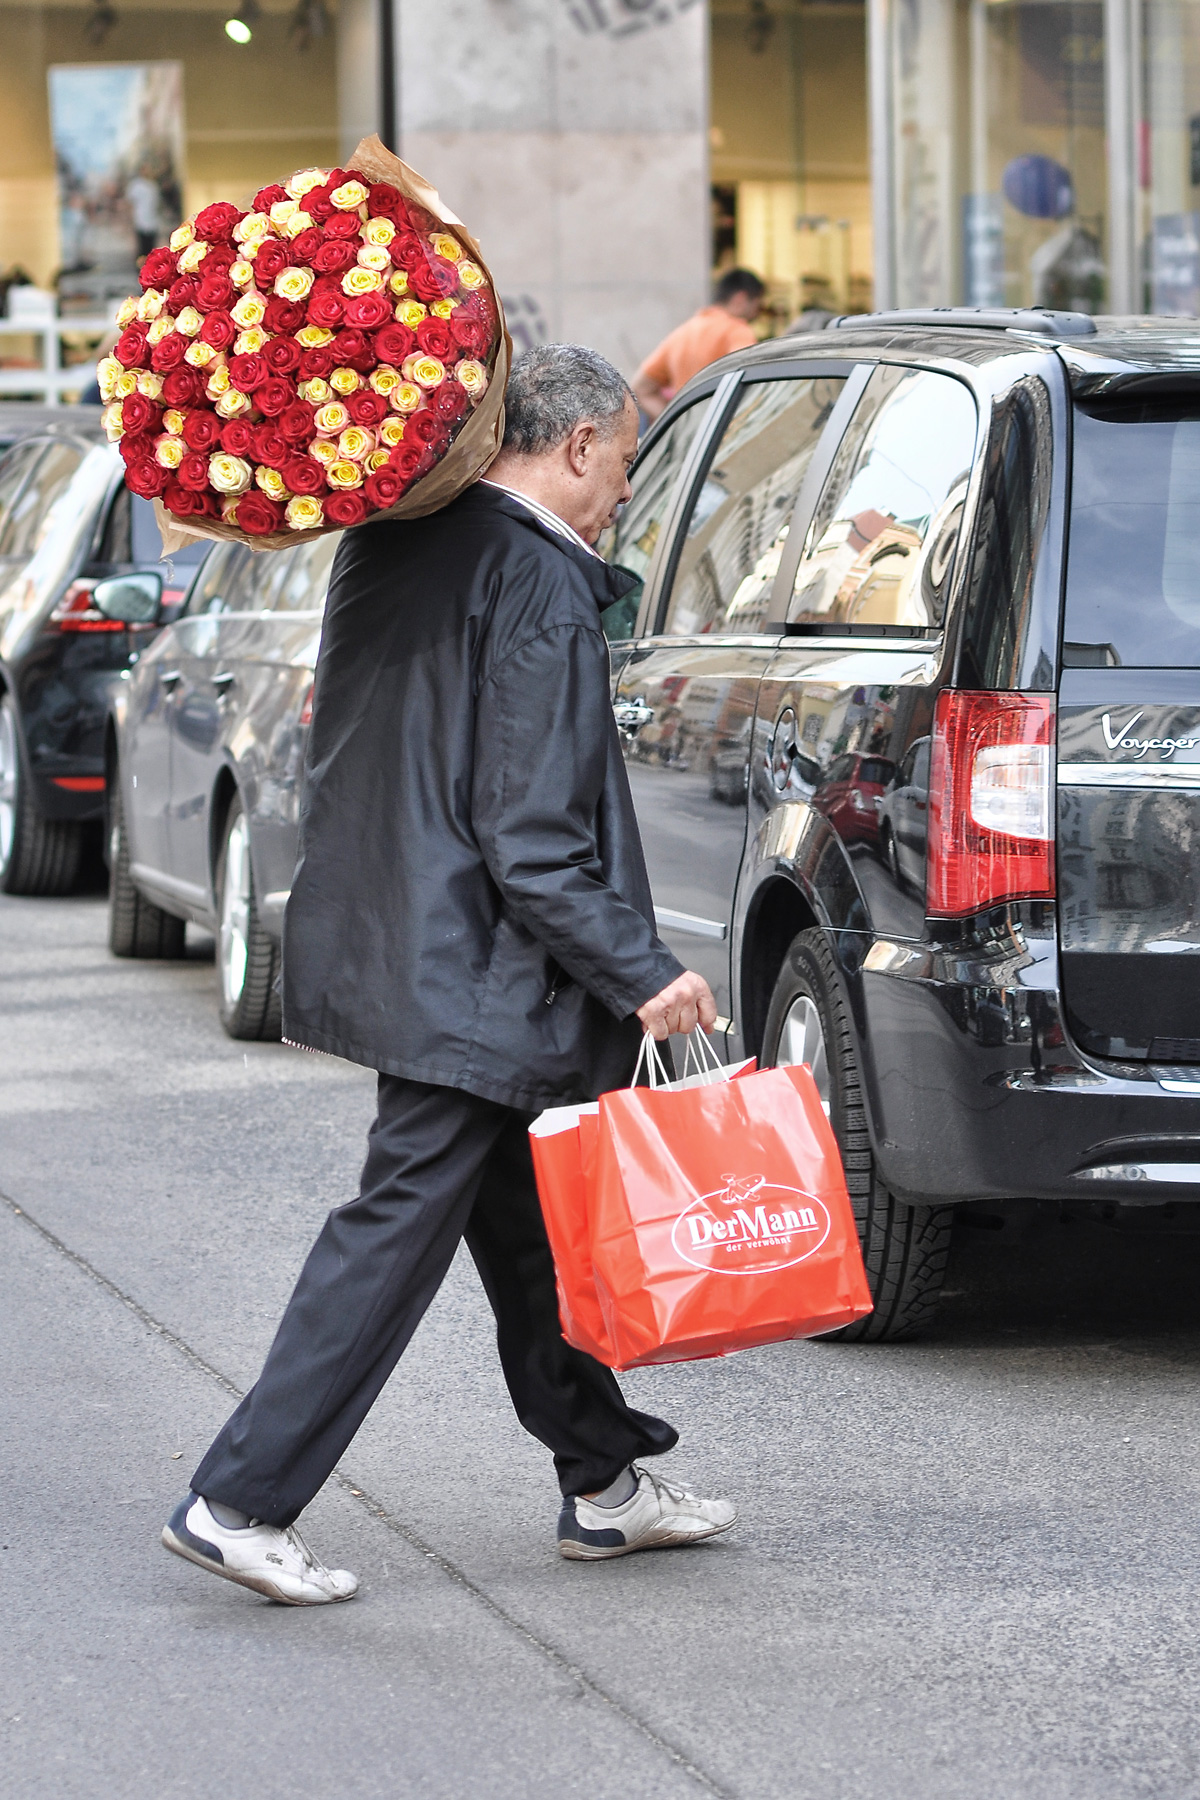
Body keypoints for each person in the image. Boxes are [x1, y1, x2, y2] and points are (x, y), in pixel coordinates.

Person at [162, 344, 736, 1607]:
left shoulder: (391, 539)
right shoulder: (536, 579)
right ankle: (239, 1499)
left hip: (411, 946)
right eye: (625, 462)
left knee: (527, 1236)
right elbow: (529, 832)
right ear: (578, 443)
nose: (624, 492)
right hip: (484, 977)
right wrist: (642, 971)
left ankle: (605, 1481)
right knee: (390, 1234)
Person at [633, 268, 766, 422]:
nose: (757, 314)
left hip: (692, 441)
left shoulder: (682, 333)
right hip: (725, 436)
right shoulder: (738, 330)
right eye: (757, 305)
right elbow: (751, 378)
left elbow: (640, 388)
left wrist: (677, 423)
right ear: (740, 299)